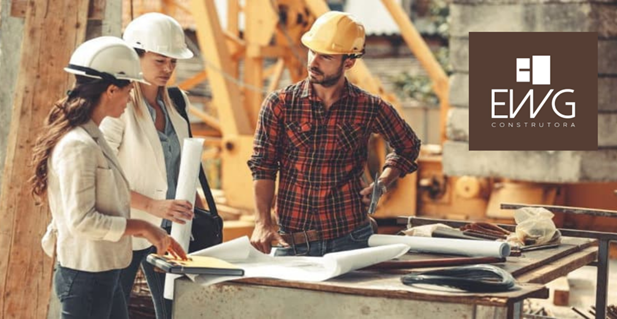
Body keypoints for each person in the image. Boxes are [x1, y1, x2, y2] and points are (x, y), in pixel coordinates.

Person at [30, 36, 187, 319]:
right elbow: (82, 221)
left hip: (103, 271)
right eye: (128, 91)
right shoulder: (78, 145)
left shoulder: (93, 137)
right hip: (86, 274)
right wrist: (143, 226)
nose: (130, 99)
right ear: (112, 90)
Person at [248, 11, 421, 257]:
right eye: (312, 51)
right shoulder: (280, 104)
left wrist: (381, 184)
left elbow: (408, 146)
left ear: (348, 62)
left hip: (352, 239)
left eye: (325, 56)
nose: (313, 62)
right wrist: (262, 223)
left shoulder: (369, 106)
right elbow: (263, 165)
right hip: (293, 243)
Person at [99, 13, 202, 319]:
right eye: (159, 61)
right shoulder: (118, 105)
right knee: (113, 309)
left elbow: (179, 164)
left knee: (175, 309)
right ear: (135, 56)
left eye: (172, 61)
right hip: (129, 227)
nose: (168, 69)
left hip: (172, 228)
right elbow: (103, 174)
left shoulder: (177, 102)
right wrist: (152, 206)